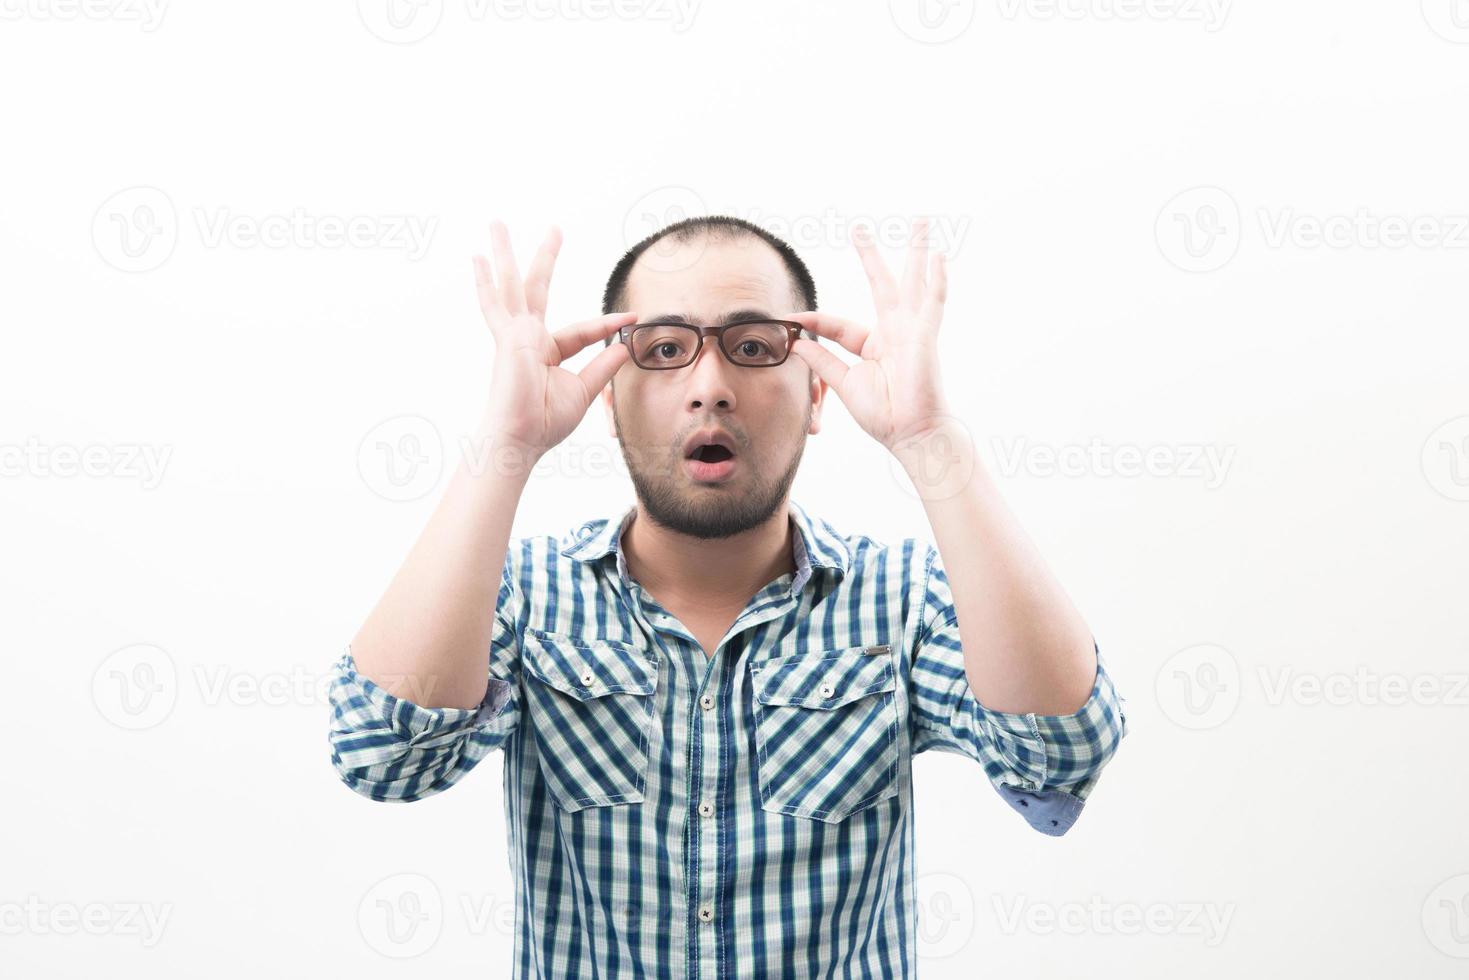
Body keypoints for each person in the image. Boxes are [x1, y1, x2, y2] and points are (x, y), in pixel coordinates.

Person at [328, 213, 1129, 976]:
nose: (709, 385)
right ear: (607, 394)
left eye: (752, 347)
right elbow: (380, 756)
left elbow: (1060, 752)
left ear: (818, 395)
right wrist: (503, 447)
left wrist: (929, 442)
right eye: (664, 348)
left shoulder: (900, 598)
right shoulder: (523, 596)